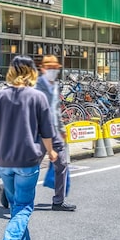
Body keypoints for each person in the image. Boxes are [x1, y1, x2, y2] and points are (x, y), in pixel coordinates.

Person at [0, 55, 57, 240]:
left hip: (3, 159)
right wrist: (51, 151)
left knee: (15, 206)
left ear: (11, 71)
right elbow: (47, 131)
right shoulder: (38, 97)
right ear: (32, 72)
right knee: (24, 206)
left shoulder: (0, 96)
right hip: (27, 160)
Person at [35, 54, 76, 212]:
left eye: (55, 68)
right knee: (30, 168)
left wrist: (62, 128)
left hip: (54, 132)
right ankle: (9, 190)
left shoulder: (55, 85)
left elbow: (55, 109)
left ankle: (58, 201)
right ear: (43, 69)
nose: (53, 71)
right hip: (39, 133)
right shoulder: (37, 86)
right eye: (50, 68)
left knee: (62, 164)